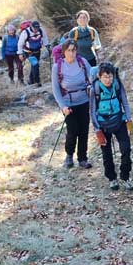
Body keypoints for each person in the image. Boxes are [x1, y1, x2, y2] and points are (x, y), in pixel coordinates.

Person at [90, 62, 133, 191]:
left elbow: (124, 102)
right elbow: (92, 111)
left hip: (119, 121)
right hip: (103, 125)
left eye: (110, 77)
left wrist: (129, 119)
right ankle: (112, 178)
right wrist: (97, 130)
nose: (108, 80)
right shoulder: (95, 89)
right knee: (106, 153)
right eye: (105, 77)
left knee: (126, 149)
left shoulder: (117, 85)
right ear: (99, 77)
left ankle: (125, 176)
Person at [51, 39, 93, 169]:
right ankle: (69, 156)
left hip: (84, 101)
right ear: (64, 51)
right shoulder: (57, 67)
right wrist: (63, 106)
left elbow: (92, 77)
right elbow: (56, 89)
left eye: (74, 50)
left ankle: (82, 158)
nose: (71, 53)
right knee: (72, 130)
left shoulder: (83, 62)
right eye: (69, 50)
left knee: (84, 130)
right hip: (68, 104)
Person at [17, 20, 46, 86]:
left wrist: (47, 46)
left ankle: (31, 81)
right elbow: (20, 44)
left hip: (37, 51)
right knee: (35, 65)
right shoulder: (25, 32)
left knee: (34, 65)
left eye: (37, 28)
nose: (36, 30)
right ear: (31, 26)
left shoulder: (41, 30)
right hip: (28, 52)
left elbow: (45, 38)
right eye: (34, 28)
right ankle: (37, 82)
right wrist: (20, 53)